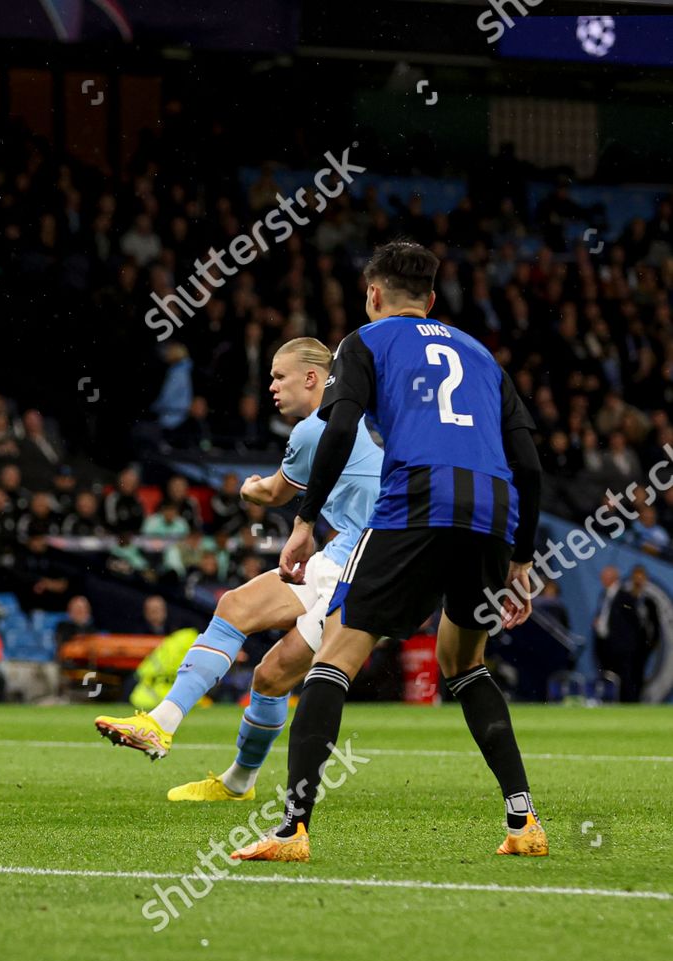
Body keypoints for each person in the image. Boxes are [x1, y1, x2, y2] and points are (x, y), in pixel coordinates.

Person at [244, 240, 546, 862]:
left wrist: (303, 520)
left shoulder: (365, 341)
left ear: (374, 296)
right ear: (432, 301)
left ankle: (291, 830)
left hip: (415, 502)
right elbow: (530, 465)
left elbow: (341, 425)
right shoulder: (483, 355)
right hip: (491, 511)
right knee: (465, 662)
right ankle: (523, 822)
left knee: (336, 654)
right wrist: (522, 557)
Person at [93, 338, 382, 802]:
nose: (271, 386)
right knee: (242, 621)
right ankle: (172, 733)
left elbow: (273, 494)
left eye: (278, 376)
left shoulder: (314, 429)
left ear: (311, 378)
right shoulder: (361, 414)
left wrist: (248, 489)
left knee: (274, 673)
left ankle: (227, 773)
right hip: (341, 551)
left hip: (367, 561)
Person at [599, 565, 661, 701]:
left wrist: (649, 644)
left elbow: (647, 625)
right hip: (619, 646)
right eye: (636, 578)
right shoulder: (622, 596)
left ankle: (632, 703)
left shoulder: (644, 600)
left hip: (636, 647)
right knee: (620, 678)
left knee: (632, 679)